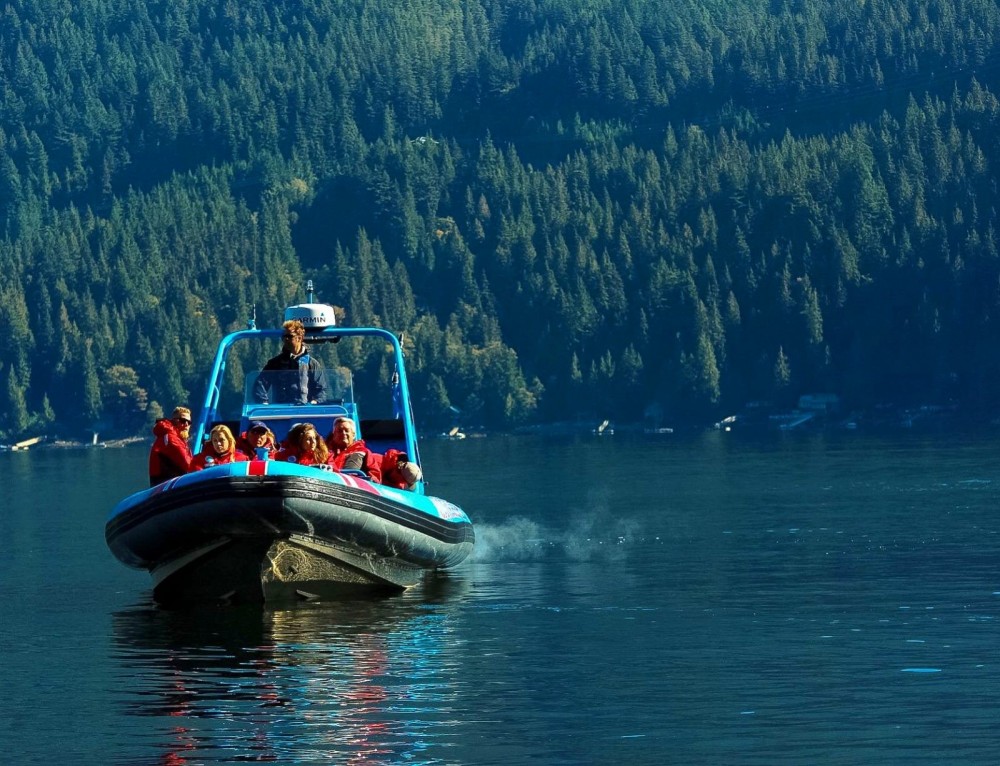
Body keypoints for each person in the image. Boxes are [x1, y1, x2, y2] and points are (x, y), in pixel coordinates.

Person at [252, 319, 328, 404]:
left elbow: (321, 390)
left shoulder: (312, 364)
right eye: (284, 337)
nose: (286, 339)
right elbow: (260, 384)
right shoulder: (275, 363)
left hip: (306, 413)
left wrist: (315, 402)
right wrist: (264, 403)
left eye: (290, 336)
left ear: (299, 338)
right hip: (281, 414)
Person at [326, 416, 383, 482]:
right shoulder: (325, 452)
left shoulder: (363, 452)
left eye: (347, 431)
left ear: (353, 435)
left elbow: (375, 474)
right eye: (339, 431)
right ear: (334, 434)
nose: (343, 433)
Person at [149, 406, 194, 486]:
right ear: (174, 421)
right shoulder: (170, 437)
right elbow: (188, 465)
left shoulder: (178, 438)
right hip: (166, 486)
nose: (186, 424)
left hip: (169, 485)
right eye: (183, 421)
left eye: (189, 422)